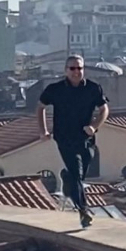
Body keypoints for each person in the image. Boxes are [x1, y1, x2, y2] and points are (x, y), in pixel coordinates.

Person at [37, 55, 109, 228]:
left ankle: (67, 178)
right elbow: (40, 107)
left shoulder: (93, 88)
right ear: (66, 70)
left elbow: (104, 109)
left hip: (86, 138)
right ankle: (83, 211)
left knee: (80, 175)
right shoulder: (55, 89)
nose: (76, 72)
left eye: (79, 68)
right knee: (77, 174)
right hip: (65, 138)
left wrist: (94, 126)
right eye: (72, 68)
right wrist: (43, 131)